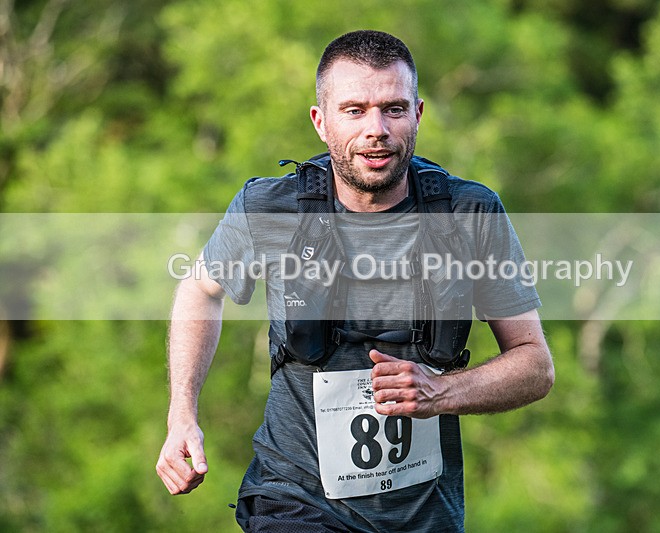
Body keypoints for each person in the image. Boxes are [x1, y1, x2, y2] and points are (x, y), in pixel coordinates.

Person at [156, 30, 554, 532]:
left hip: (425, 515)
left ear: (418, 114)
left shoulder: (470, 212)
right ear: (320, 122)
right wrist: (182, 413)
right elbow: (200, 289)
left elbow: (535, 365)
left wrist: (440, 391)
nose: (376, 129)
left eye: (393, 109)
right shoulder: (269, 208)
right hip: (294, 500)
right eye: (354, 110)